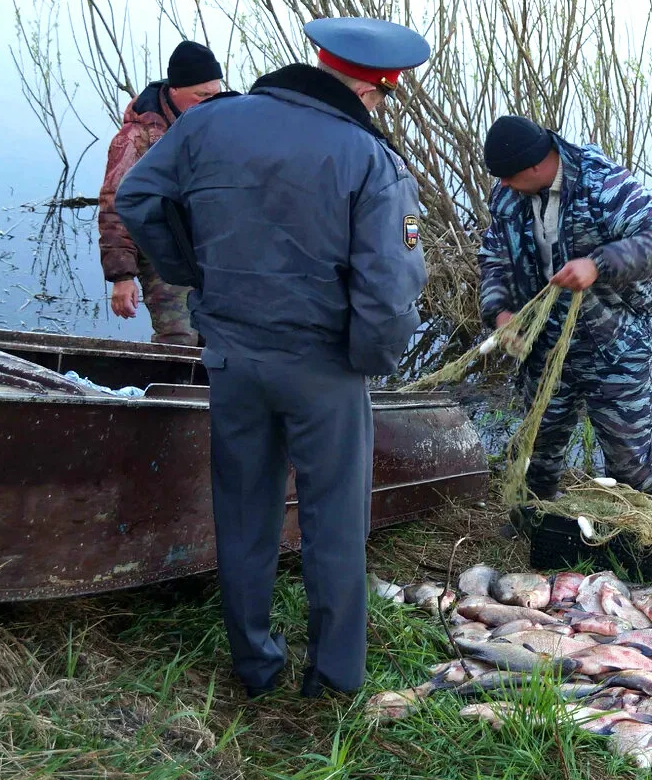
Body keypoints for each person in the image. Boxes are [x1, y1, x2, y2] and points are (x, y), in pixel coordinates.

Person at [115, 17, 429, 698]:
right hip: (323, 365)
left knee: (243, 510)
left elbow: (137, 199)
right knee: (334, 522)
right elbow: (388, 288)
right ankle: (334, 678)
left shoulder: (208, 122)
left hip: (232, 353)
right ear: (372, 89)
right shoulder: (369, 158)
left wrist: (194, 274)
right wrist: (367, 360)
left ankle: (254, 664)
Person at [478, 115, 652, 529]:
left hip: (614, 342)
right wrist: (500, 313)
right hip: (545, 343)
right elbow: (494, 257)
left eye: (510, 177)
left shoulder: (603, 184)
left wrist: (597, 264)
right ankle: (533, 526)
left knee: (630, 458)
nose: (503, 186)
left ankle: (649, 534)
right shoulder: (507, 197)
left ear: (537, 165)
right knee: (536, 449)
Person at [98, 41, 224, 345]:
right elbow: (114, 205)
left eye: (216, 94)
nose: (212, 102)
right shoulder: (135, 138)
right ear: (175, 90)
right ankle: (166, 376)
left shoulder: (220, 126)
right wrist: (122, 276)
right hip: (160, 251)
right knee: (179, 337)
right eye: (202, 95)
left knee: (221, 336)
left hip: (211, 250)